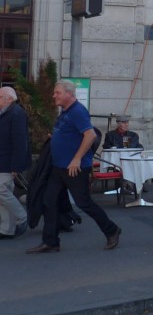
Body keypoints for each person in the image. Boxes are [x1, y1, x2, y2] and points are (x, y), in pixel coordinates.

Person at [26, 80, 121, 253]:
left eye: (58, 93)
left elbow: (90, 135)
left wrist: (77, 159)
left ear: (69, 94)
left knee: (84, 203)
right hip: (58, 166)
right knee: (49, 201)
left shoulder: (78, 111)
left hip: (74, 168)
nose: (54, 95)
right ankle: (51, 242)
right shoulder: (65, 112)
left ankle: (112, 230)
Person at [0, 86, 32, 239]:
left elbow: (20, 142)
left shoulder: (16, 113)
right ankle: (6, 229)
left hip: (8, 161)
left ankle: (22, 217)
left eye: (0, 97)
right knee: (2, 195)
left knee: (1, 191)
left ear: (10, 99)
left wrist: (16, 166)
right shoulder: (6, 112)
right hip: (3, 160)